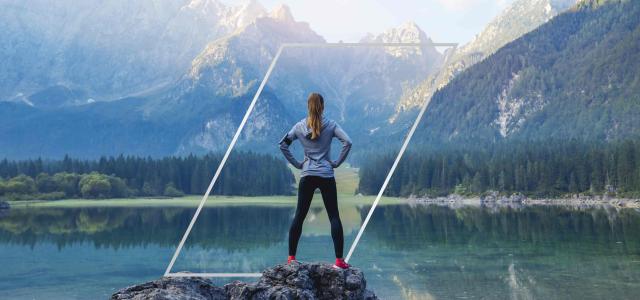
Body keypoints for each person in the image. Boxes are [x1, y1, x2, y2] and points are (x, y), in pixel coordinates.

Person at [278, 92, 353, 269]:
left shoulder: (298, 127)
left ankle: (291, 259)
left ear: (308, 106)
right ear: (323, 106)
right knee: (334, 216)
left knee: (299, 216)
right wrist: (336, 163)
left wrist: (297, 164)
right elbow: (348, 142)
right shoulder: (331, 125)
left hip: (307, 175)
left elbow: (282, 144)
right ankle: (339, 261)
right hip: (326, 175)